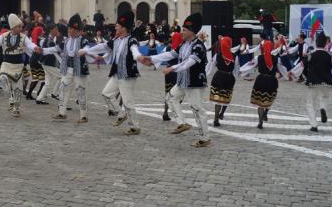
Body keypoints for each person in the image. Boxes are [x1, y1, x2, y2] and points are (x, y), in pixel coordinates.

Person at [82, 11, 149, 134]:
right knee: (106, 94)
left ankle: (135, 127)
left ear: (124, 28)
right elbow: (103, 47)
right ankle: (121, 113)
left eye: (118, 25)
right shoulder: (116, 40)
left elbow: (134, 50)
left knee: (128, 101)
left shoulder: (131, 40)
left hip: (128, 74)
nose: (116, 27)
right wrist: (87, 50)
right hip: (117, 73)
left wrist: (138, 56)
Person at [151, 13, 211, 148]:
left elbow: (189, 63)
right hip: (183, 81)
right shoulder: (184, 44)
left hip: (194, 82)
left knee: (197, 109)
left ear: (191, 31)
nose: (181, 32)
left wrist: (172, 68)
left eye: (184, 30)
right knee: (170, 98)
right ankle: (182, 123)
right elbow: (171, 54)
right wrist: (152, 59)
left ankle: (204, 138)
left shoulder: (198, 46)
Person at [0, 14, 41, 118]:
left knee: (18, 89)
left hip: (18, 65)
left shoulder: (23, 37)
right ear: (12, 27)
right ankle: (11, 97)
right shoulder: (3, 36)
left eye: (21, 26)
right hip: (6, 64)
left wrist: (35, 48)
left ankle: (16, 108)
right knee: (2, 79)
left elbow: (30, 44)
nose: (20, 28)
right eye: (18, 26)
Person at [44, 14, 94, 124]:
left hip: (79, 70)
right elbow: (56, 48)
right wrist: (43, 51)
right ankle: (62, 113)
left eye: (72, 29)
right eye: (69, 28)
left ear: (78, 30)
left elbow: (87, 48)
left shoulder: (83, 40)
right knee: (63, 89)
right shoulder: (66, 41)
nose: (69, 31)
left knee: (80, 92)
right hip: (67, 69)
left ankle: (83, 116)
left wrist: (84, 51)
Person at [239, 39, 284, 129]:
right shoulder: (276, 58)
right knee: (270, 99)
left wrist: (242, 72)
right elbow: (281, 69)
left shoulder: (258, 58)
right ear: (271, 48)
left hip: (261, 80)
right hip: (272, 80)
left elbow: (250, 66)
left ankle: (260, 122)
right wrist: (288, 75)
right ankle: (266, 112)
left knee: (260, 103)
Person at [303, 33, 332, 132]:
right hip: (327, 81)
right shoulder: (329, 55)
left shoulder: (310, 55)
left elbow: (304, 68)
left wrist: (307, 77)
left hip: (314, 81)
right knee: (324, 97)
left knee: (310, 103)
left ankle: (314, 125)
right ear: (325, 43)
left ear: (316, 43)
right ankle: (323, 108)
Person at [208, 36, 237, 127]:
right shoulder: (235, 56)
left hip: (219, 76)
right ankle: (222, 113)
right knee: (226, 97)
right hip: (229, 77)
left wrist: (206, 73)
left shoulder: (218, 55)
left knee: (218, 99)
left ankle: (216, 118)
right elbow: (236, 70)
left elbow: (211, 65)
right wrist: (233, 77)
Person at [34, 22, 64, 105]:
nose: (57, 30)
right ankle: (54, 93)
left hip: (46, 63)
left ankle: (39, 98)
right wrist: (62, 62)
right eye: (56, 29)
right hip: (48, 63)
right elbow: (55, 53)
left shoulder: (50, 39)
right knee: (62, 76)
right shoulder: (49, 40)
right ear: (51, 30)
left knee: (47, 82)